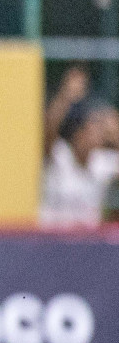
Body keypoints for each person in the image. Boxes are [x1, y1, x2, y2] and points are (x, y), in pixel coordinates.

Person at [41, 66, 119, 228]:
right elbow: (48, 129)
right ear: (77, 134)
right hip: (50, 241)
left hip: (87, 245)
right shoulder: (60, 155)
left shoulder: (102, 162)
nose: (94, 136)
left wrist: (115, 130)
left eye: (98, 131)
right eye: (90, 129)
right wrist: (65, 96)